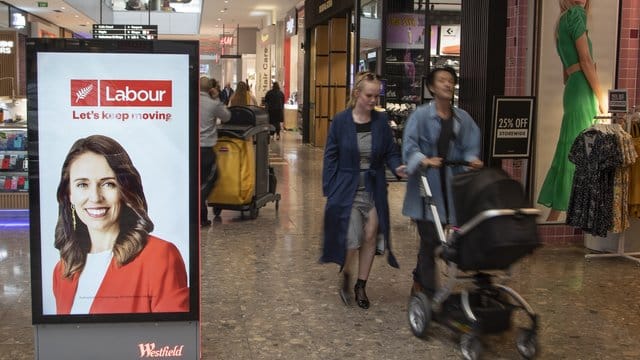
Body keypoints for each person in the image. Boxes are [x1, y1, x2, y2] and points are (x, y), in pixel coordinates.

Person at [52, 135, 189, 314]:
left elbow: (174, 337)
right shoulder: (64, 269)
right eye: (82, 184)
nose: (95, 197)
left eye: (108, 184)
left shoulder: (161, 257)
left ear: (124, 190)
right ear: (69, 194)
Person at [321, 71, 407, 309]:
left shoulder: (381, 121)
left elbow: (390, 151)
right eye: (369, 95)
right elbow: (330, 157)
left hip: (373, 187)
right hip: (347, 188)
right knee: (351, 239)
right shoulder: (340, 121)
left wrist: (397, 167)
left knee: (370, 234)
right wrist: (329, 189)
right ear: (357, 94)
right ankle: (346, 273)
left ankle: (361, 285)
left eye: (376, 96)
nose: (373, 101)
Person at [402, 66, 483, 299]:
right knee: (432, 241)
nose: (448, 84)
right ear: (431, 87)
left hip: (451, 188)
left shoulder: (462, 118)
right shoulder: (420, 116)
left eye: (451, 81)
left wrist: (472, 160)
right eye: (442, 81)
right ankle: (430, 295)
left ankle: (419, 279)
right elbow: (409, 147)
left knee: (441, 240)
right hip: (426, 188)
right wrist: (424, 159)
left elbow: (469, 147)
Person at [537, 0, 605, 222]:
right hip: (582, 89)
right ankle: (576, 218)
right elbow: (586, 60)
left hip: (574, 88)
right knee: (582, 150)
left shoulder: (561, 20)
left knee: (570, 147)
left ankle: (554, 217)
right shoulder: (576, 14)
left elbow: (566, 73)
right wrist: (599, 95)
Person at [200, 76, 231, 226]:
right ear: (210, 88)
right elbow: (226, 116)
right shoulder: (212, 104)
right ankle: (200, 206)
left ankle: (200, 216)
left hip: (191, 150)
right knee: (211, 179)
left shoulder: (189, 101)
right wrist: (217, 97)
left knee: (196, 181)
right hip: (206, 149)